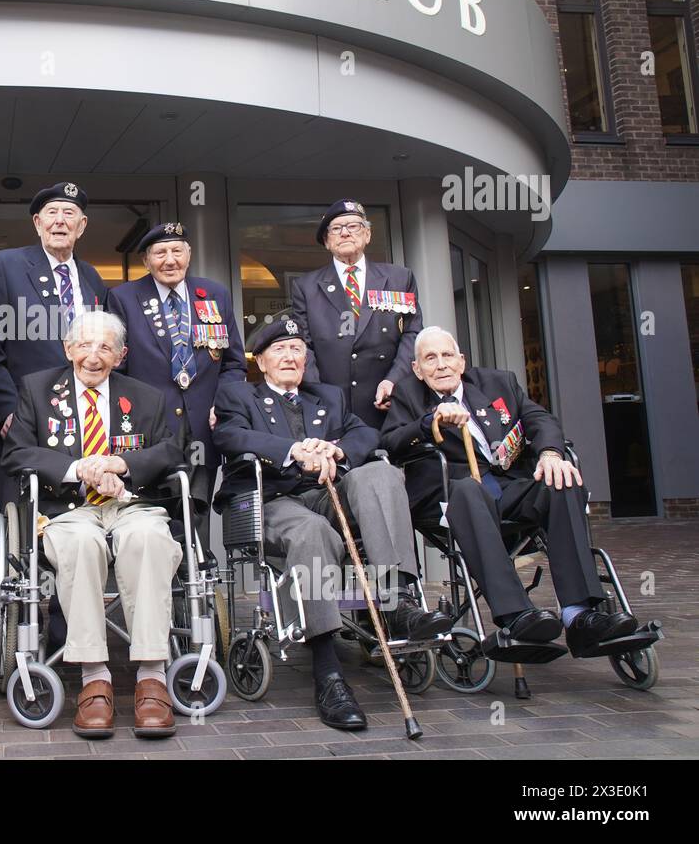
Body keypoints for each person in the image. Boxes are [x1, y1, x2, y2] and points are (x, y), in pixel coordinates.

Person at [214, 314, 450, 730]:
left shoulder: (328, 397)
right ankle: (328, 673)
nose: (290, 357)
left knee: (380, 471)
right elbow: (232, 438)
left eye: (297, 351)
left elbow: (367, 436)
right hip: (272, 500)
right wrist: (295, 449)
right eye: (279, 351)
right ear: (262, 362)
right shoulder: (239, 397)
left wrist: (337, 451)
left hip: (327, 494)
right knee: (312, 532)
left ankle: (397, 601)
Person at [381, 327, 639, 655]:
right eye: (430, 359)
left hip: (509, 489)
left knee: (562, 483)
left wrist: (550, 454)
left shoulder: (498, 382)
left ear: (461, 362)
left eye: (447, 356)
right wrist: (431, 421)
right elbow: (390, 444)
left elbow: (541, 420)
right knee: (468, 491)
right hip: (450, 497)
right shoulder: (408, 395)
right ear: (417, 369)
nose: (441, 365)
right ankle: (516, 615)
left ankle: (579, 616)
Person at [2, 311, 184, 739]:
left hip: (132, 505)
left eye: (105, 347)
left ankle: (152, 677)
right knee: (81, 543)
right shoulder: (37, 389)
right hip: (69, 509)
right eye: (84, 345)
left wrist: (121, 463)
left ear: (121, 355)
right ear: (68, 350)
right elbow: (16, 454)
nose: (93, 356)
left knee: (147, 540)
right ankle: (94, 677)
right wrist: (77, 467)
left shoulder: (147, 397)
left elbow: (172, 450)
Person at [107, 222, 245, 545]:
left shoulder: (214, 295)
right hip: (151, 429)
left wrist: (222, 404)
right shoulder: (123, 297)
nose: (169, 260)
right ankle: (160, 589)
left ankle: (196, 588)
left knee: (197, 516)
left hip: (203, 426)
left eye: (176, 250)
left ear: (189, 254)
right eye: (160, 253)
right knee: (155, 517)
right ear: (146, 261)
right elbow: (118, 371)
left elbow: (234, 363)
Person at [0, 182, 108, 509]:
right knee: (22, 530)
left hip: (82, 425)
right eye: (51, 213)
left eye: (69, 214)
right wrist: (8, 409)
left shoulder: (93, 278)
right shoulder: (4, 265)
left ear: (81, 226)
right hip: (22, 422)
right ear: (37, 223)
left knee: (79, 524)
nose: (60, 221)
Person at [290, 200, 423, 428]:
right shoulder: (306, 287)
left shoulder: (399, 279)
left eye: (353, 226)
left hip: (388, 402)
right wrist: (320, 396)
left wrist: (394, 381)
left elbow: (412, 334)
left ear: (367, 234)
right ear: (326, 241)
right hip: (332, 408)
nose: (345, 233)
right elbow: (304, 346)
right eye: (336, 229)